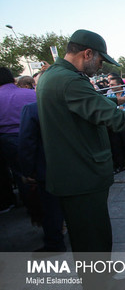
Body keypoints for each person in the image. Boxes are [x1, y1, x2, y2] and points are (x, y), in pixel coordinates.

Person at [36, 29, 125, 257]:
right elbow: (116, 118)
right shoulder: (69, 80)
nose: (101, 67)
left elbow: (89, 101)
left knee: (91, 239)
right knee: (93, 243)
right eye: (100, 60)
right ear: (88, 53)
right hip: (81, 175)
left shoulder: (55, 75)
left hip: (74, 174)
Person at [18, 70, 66, 253]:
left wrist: (27, 171)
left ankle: (54, 243)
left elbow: (26, 144)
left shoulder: (31, 110)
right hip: (72, 169)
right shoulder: (70, 107)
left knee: (51, 209)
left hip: (46, 170)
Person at [0, 67, 37, 213]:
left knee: (20, 175)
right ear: (13, 79)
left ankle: (31, 207)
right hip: (35, 136)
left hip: (8, 141)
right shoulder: (30, 94)